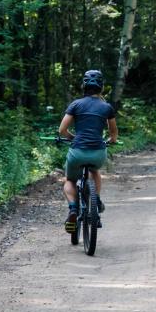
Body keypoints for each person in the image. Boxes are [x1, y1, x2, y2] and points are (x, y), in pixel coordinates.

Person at [58, 70, 118, 233]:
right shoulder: (106, 107)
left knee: (70, 180)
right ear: (101, 87)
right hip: (98, 152)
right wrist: (111, 140)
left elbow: (62, 130)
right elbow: (113, 133)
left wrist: (72, 138)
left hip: (77, 152)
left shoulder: (76, 104)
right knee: (95, 171)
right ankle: (96, 201)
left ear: (84, 85)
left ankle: (72, 209)